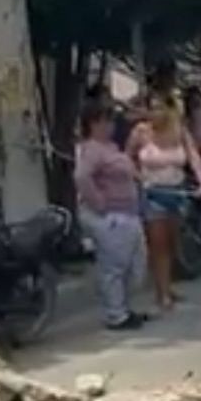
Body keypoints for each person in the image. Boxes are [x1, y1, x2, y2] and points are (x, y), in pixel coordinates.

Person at [127, 89, 201, 312]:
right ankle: (162, 293)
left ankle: (167, 287)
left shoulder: (179, 130)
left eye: (159, 108)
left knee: (173, 243)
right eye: (151, 108)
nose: (154, 113)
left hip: (177, 191)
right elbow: (126, 159)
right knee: (158, 244)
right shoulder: (141, 132)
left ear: (168, 109)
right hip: (152, 193)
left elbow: (194, 157)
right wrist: (139, 177)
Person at [74, 102, 151, 330]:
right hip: (111, 216)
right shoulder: (92, 150)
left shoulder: (111, 148)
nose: (110, 126)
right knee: (115, 266)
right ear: (93, 124)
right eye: (105, 121)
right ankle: (116, 314)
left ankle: (124, 306)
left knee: (134, 264)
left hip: (128, 212)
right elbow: (82, 177)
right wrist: (99, 204)